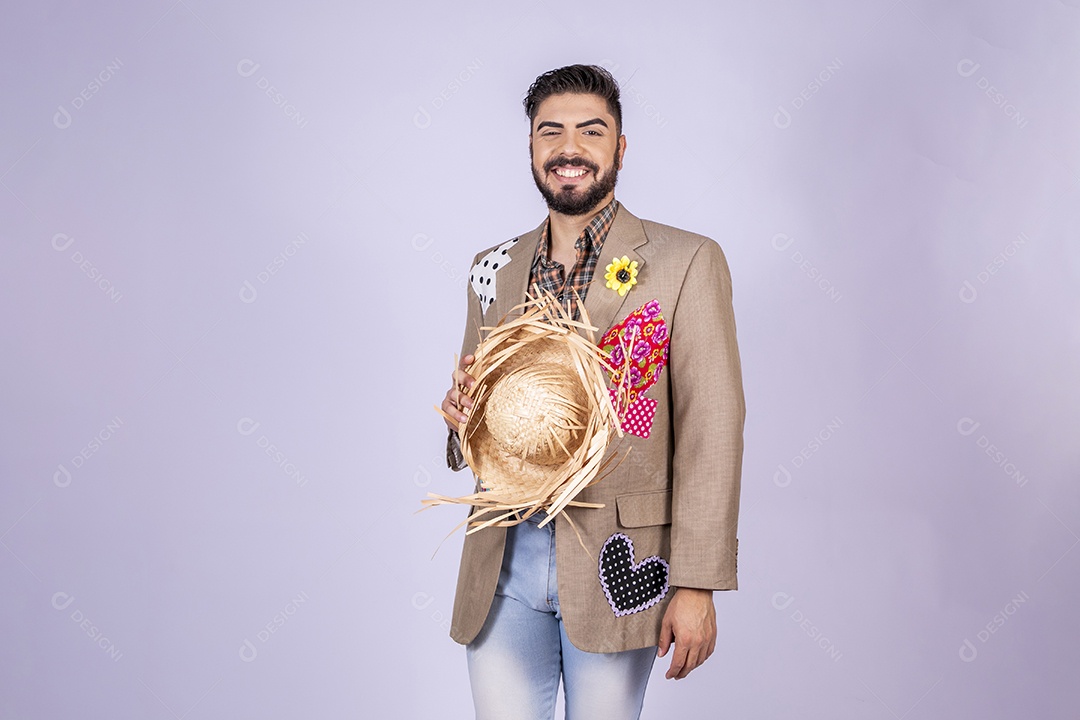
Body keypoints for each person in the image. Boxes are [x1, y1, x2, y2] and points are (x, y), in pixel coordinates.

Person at [439, 64, 745, 720]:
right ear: (530, 147)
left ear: (620, 148)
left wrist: (698, 582)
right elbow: (475, 415)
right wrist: (462, 419)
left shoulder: (687, 261)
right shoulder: (491, 268)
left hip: (618, 562)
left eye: (591, 130)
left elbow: (712, 427)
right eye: (551, 131)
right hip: (502, 564)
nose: (569, 147)